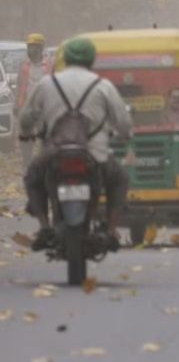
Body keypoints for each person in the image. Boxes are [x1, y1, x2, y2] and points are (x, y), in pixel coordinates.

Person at [19, 37, 132, 250]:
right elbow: (123, 122)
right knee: (119, 179)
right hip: (95, 156)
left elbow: (27, 117)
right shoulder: (103, 86)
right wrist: (126, 135)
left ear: (66, 59)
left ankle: (44, 226)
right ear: (91, 59)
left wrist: (25, 133)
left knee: (32, 177)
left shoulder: (47, 84)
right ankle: (111, 230)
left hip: (54, 154)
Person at [16, 33, 51, 166]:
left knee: (45, 137)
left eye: (34, 47)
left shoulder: (49, 64)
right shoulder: (24, 65)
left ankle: (43, 162)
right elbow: (19, 85)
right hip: (27, 107)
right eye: (29, 46)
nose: (31, 50)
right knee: (26, 137)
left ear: (41, 48)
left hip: (44, 107)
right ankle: (27, 162)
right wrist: (16, 105)